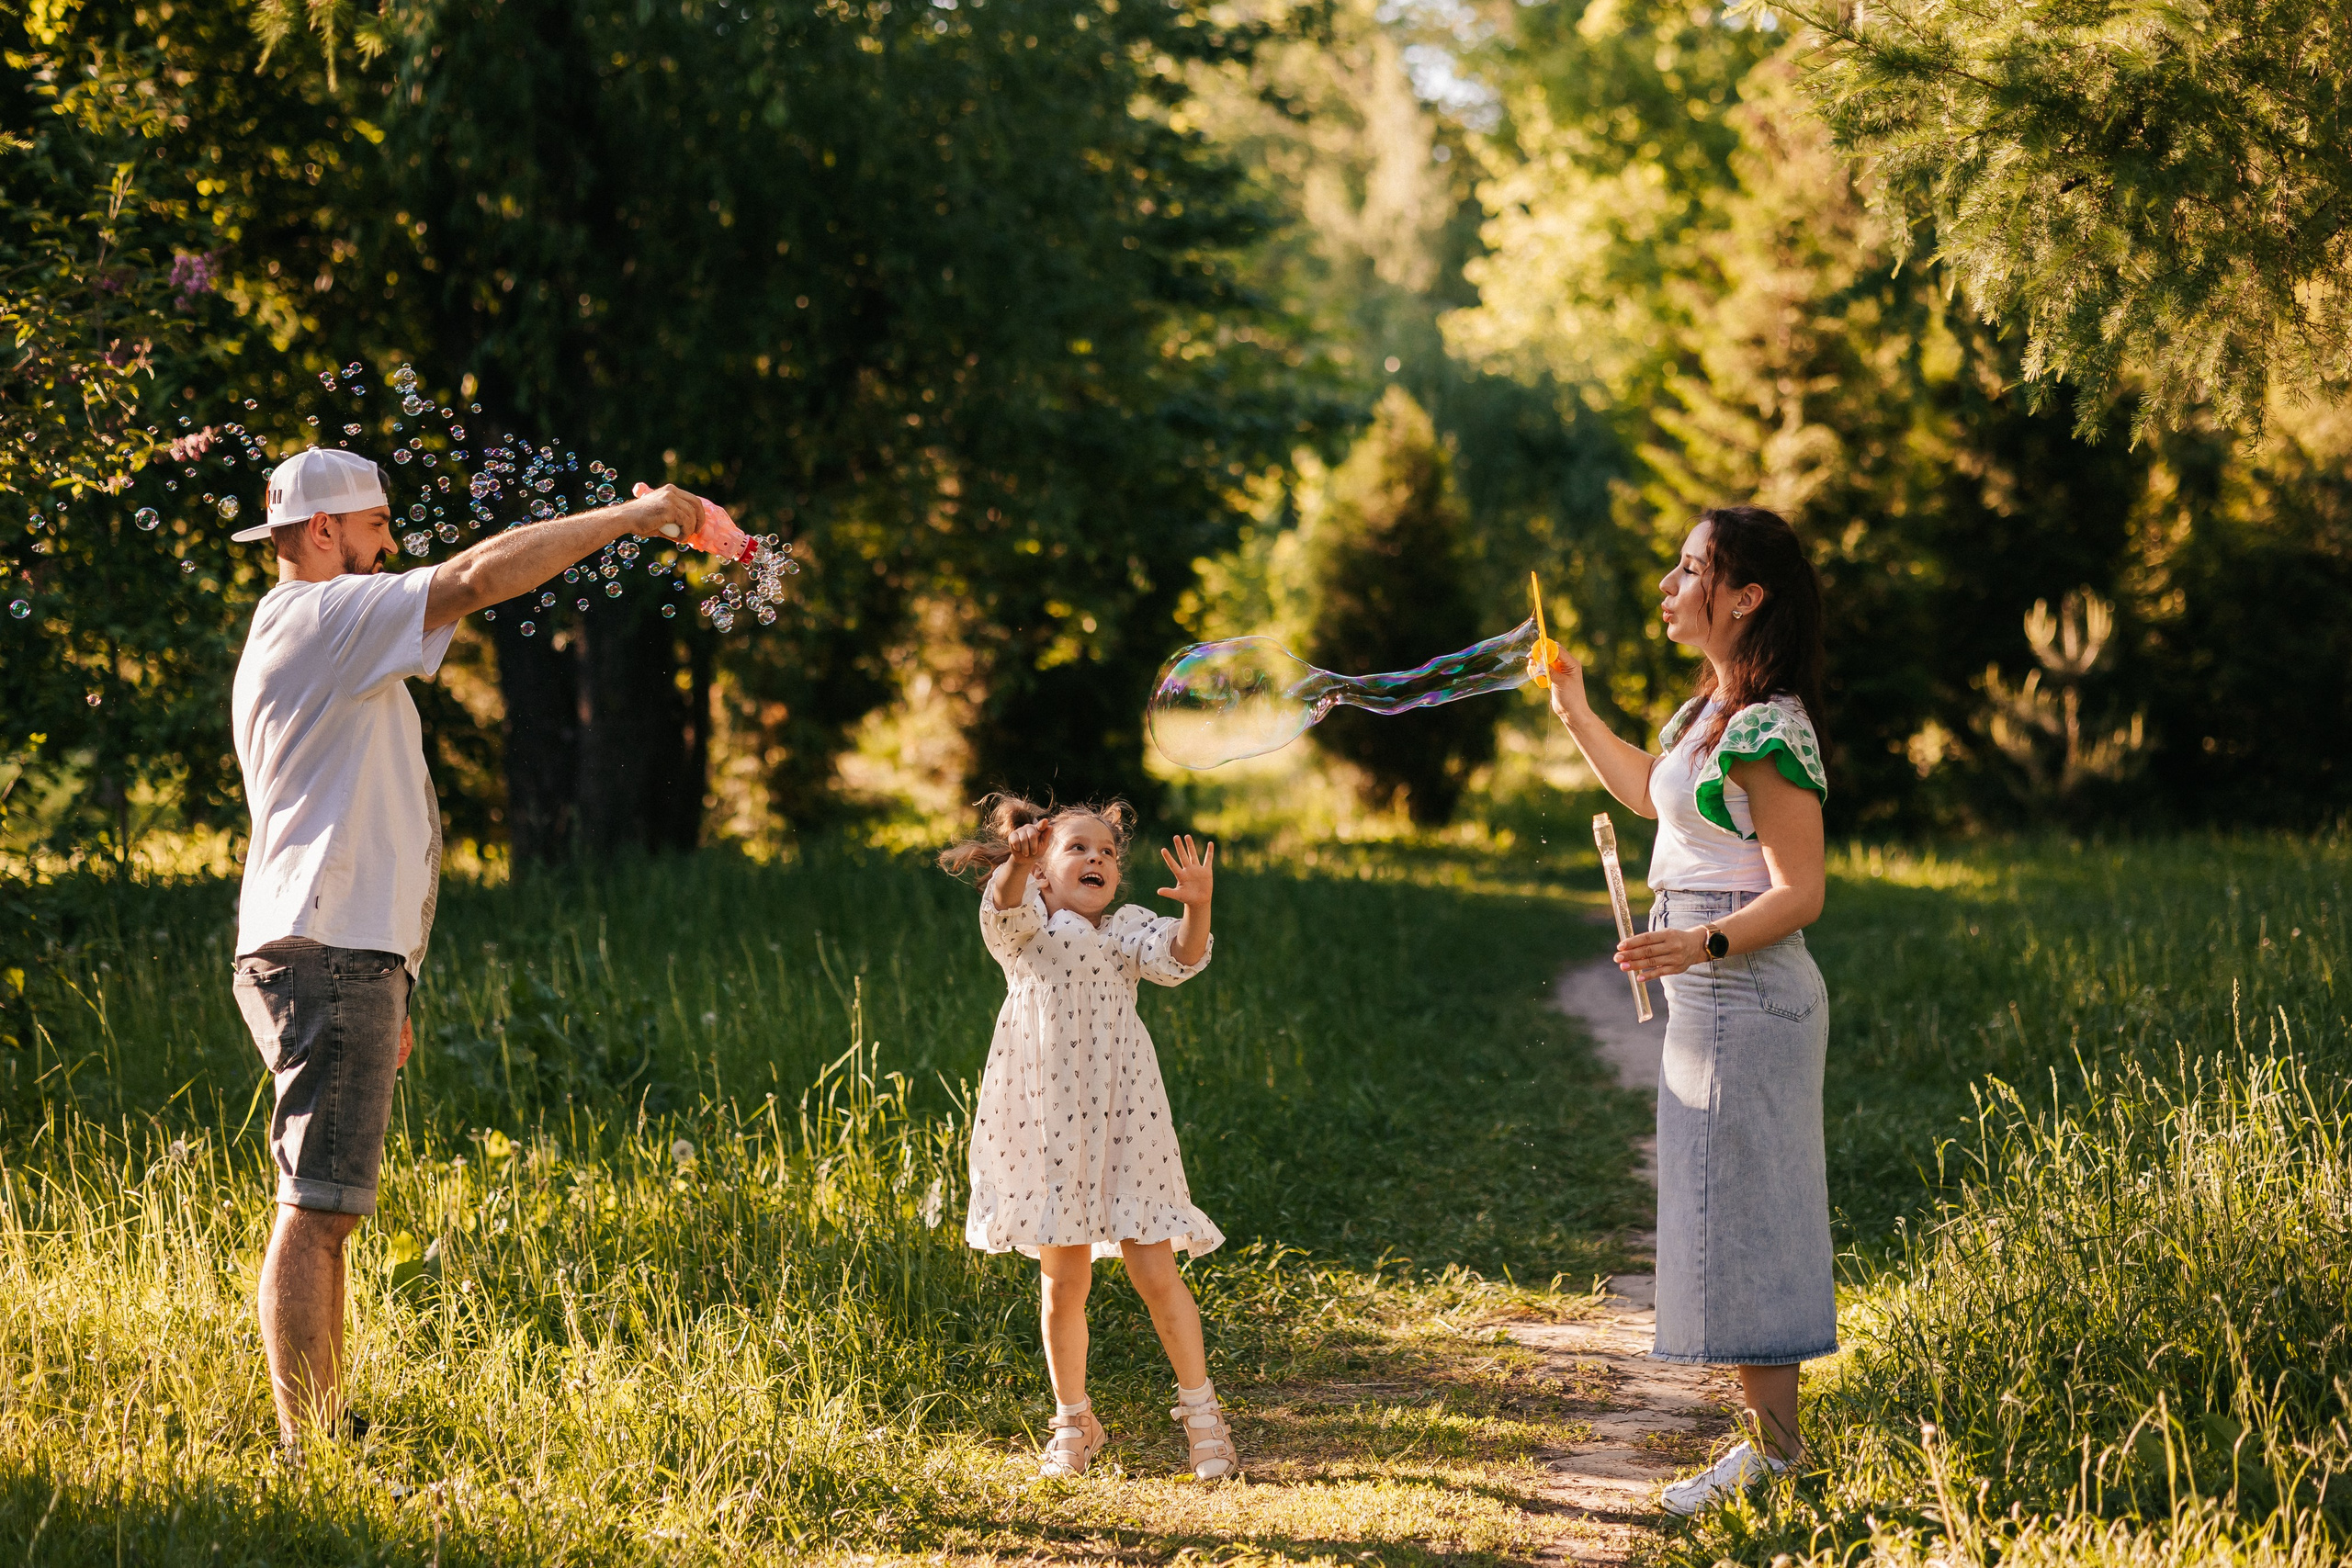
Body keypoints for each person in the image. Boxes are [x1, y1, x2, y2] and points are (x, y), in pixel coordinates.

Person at [227, 445, 707, 1459]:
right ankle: (305, 1447)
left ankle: (320, 1425)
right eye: (374, 528)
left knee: (329, 1206)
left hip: (336, 951)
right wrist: (635, 513)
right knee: (315, 1208)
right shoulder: (323, 614)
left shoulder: (306, 634)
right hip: (329, 948)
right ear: (324, 533)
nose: (388, 545)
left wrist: (396, 982)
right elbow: (479, 576)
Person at [1535, 504, 1833, 1516]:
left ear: (1744, 597)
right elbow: (1648, 797)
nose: (1669, 582)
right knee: (1722, 1209)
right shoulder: (1706, 710)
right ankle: (1771, 1451)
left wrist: (1699, 942)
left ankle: (1776, 1460)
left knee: (1745, 1214)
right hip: (1710, 977)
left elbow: (1800, 893)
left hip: (1744, 980)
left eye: (1690, 567)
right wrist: (1576, 710)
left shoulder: (1766, 726)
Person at [937, 797, 1237, 1481]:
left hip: (1126, 1123)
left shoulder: (1125, 931)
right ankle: (1073, 1421)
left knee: (1155, 1269)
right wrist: (1015, 861)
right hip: (1047, 1133)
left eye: (1105, 850)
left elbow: (1181, 957)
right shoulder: (1028, 929)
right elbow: (1002, 907)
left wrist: (1198, 905)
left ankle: (1202, 1414)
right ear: (1042, 871)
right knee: (1062, 1281)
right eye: (1076, 847)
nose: (1096, 857)